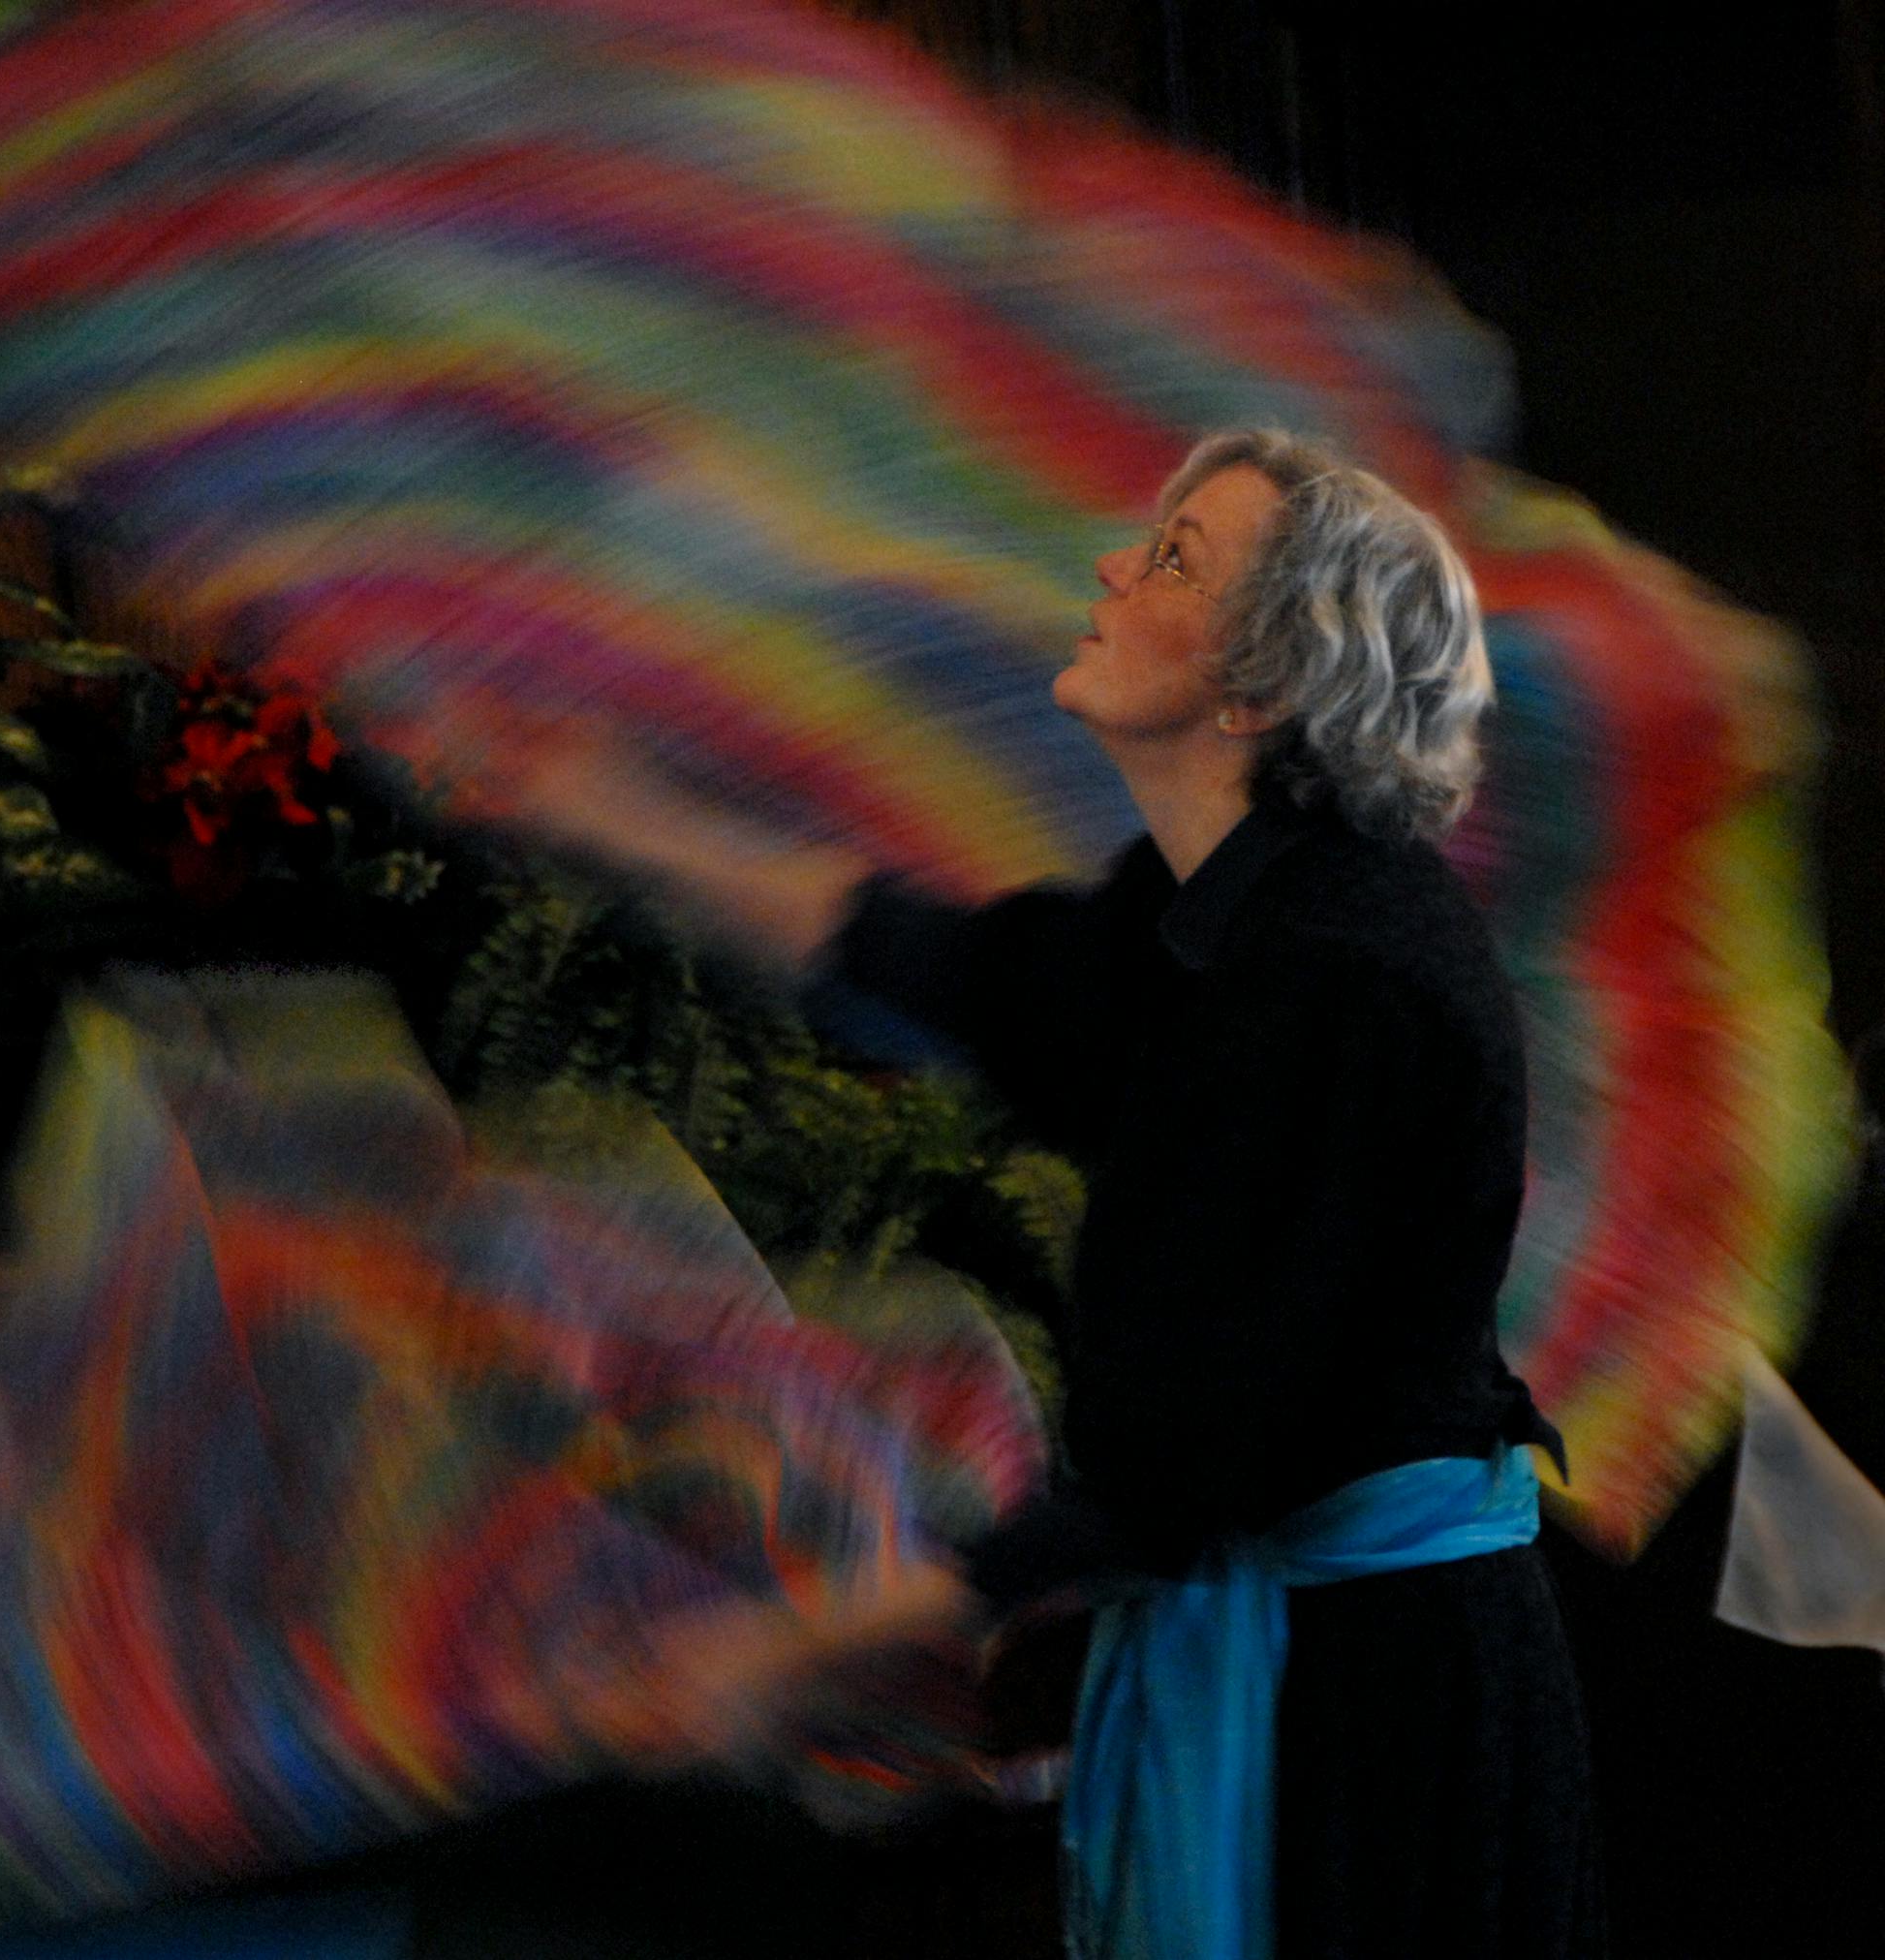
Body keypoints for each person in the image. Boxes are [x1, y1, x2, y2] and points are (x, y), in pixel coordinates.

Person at [511, 427, 1604, 1958]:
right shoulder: (1224, 912)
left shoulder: (1335, 974)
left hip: (1370, 1709)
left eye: (1174, 558)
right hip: (1328, 1660)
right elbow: (960, 969)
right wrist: (613, 816)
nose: (1112, 565)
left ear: (1260, 687)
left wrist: (778, 1653)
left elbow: (1172, 1473)